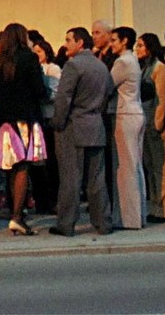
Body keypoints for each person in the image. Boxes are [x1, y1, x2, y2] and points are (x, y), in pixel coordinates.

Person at [0, 22, 48, 237]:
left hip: (3, 120)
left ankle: (14, 211)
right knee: (23, 167)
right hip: (25, 118)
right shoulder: (29, 59)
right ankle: (18, 216)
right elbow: (40, 89)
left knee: (10, 166)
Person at [48, 26, 111, 237]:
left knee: (70, 179)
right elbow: (107, 93)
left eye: (69, 40)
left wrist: (57, 123)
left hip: (73, 127)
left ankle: (66, 224)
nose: (66, 44)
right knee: (97, 179)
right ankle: (103, 222)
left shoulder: (73, 66)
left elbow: (63, 99)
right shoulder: (101, 66)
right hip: (95, 125)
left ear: (80, 43)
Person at [107, 26, 145, 229]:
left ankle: (130, 219)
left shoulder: (122, 62)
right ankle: (137, 216)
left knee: (127, 168)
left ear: (124, 41)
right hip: (135, 112)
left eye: (114, 40)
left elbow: (106, 85)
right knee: (135, 166)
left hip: (127, 114)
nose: (111, 43)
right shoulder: (133, 60)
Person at [136, 32, 165, 223]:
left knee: (161, 167)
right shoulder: (143, 68)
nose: (137, 49)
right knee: (150, 166)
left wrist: (157, 124)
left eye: (141, 45)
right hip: (145, 121)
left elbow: (162, 98)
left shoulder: (158, 68)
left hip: (155, 124)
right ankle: (155, 207)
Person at [29, 30, 64, 220]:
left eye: (39, 52)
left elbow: (55, 93)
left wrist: (41, 94)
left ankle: (53, 199)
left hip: (48, 117)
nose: (36, 56)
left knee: (50, 161)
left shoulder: (52, 69)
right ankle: (41, 198)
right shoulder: (34, 68)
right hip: (38, 118)